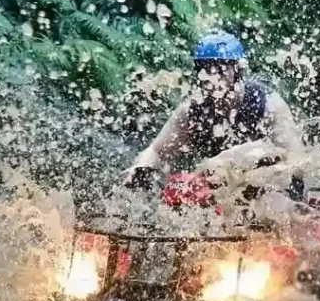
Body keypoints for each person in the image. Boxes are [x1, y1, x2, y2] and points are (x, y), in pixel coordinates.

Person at [121, 30, 305, 187]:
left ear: (238, 70)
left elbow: (297, 163)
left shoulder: (269, 106)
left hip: (268, 185)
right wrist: (140, 172)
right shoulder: (191, 111)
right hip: (219, 189)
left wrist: (241, 162)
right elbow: (157, 152)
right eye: (206, 69)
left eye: (221, 69)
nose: (213, 77)